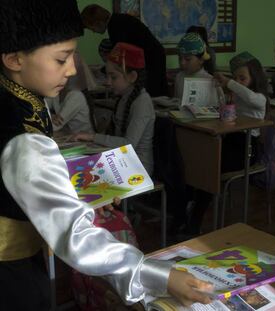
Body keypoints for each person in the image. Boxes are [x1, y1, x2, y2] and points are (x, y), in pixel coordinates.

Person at [0, 1, 213, 310]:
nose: (73, 69)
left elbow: (26, 181)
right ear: (14, 59)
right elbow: (73, 233)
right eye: (62, 59)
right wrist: (154, 274)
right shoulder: (20, 132)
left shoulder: (21, 97)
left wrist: (85, 189)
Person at [186, 52, 268, 236]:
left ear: (254, 78)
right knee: (202, 160)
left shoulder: (259, 98)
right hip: (231, 141)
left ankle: (195, 218)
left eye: (243, 78)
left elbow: (251, 98)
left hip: (247, 148)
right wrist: (219, 88)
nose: (238, 82)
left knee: (211, 168)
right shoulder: (237, 97)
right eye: (236, 77)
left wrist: (230, 82)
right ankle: (192, 209)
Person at [72, 43, 155, 176]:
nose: (108, 82)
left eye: (113, 77)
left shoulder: (142, 102)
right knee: (77, 167)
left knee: (83, 177)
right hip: (121, 161)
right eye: (107, 76)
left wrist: (92, 137)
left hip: (138, 169)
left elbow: (128, 145)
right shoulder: (124, 97)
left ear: (132, 76)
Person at [81, 4, 168, 97]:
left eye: (92, 28)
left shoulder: (115, 26)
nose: (94, 31)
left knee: (153, 93)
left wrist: (103, 71)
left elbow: (121, 58)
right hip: (154, 55)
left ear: (98, 22)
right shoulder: (118, 21)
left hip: (151, 59)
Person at [46, 51, 96, 134]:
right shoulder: (57, 92)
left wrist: (46, 118)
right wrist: (50, 116)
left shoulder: (76, 96)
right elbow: (40, 108)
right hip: (69, 136)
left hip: (84, 141)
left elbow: (55, 126)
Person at [174, 32, 212, 100]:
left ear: (201, 60)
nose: (182, 63)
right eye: (180, 58)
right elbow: (176, 102)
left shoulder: (209, 80)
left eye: (187, 59)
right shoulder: (179, 77)